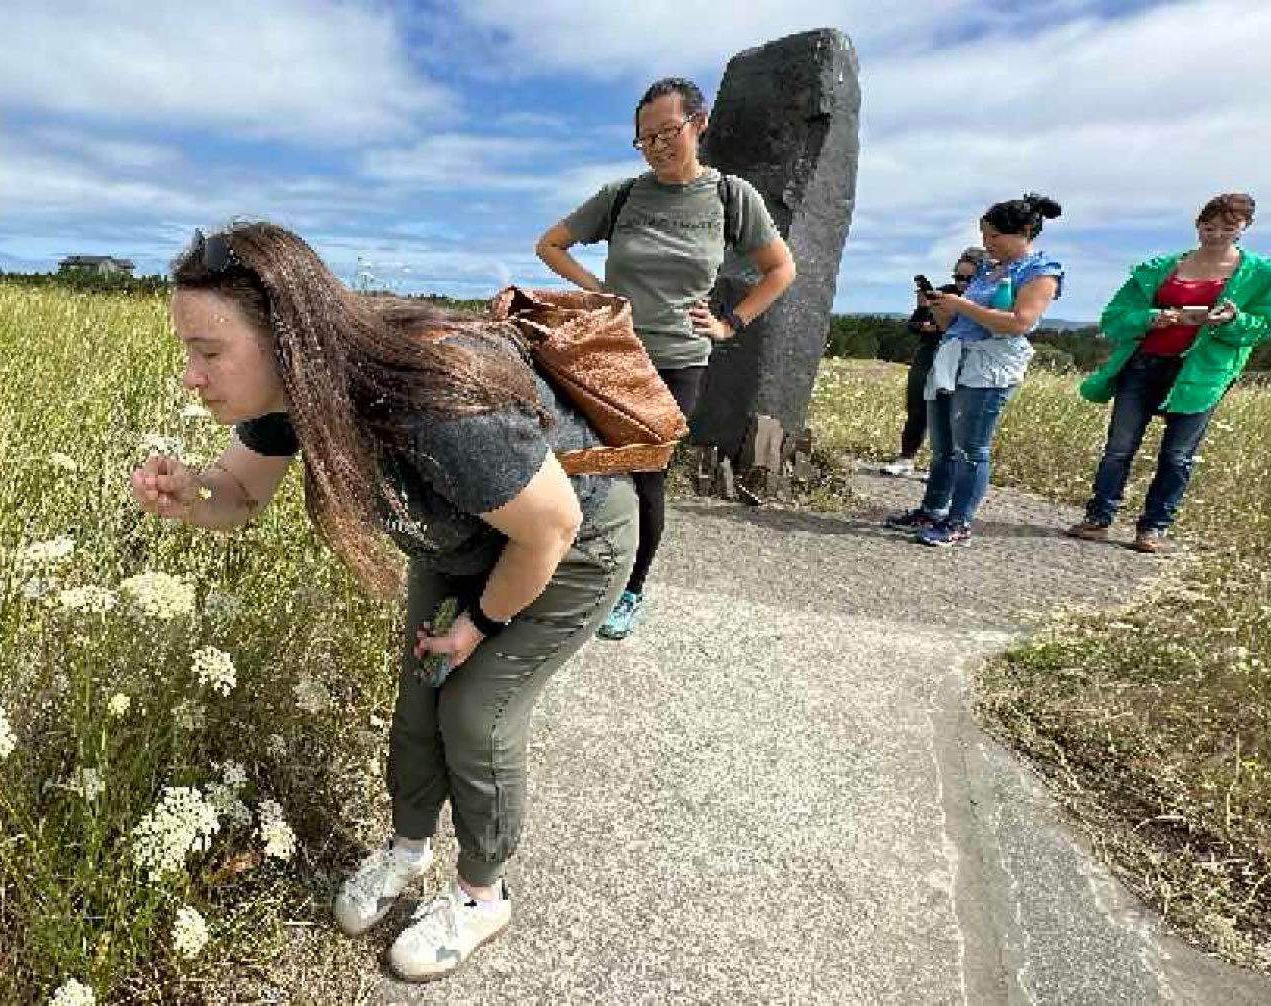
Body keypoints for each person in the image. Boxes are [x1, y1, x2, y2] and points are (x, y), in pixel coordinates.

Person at [129, 222, 641, 982]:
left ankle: (481, 894)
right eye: (188, 352)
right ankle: (406, 850)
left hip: (570, 547)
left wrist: (479, 624)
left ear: (285, 334)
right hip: (460, 541)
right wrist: (190, 495)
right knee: (419, 698)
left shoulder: (430, 391)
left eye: (209, 351)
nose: (190, 376)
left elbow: (551, 526)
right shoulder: (291, 392)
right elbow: (237, 494)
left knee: (477, 713)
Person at [534, 76, 796, 640]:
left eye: (666, 132)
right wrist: (594, 291)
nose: (655, 146)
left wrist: (731, 323)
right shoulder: (622, 195)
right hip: (610, 350)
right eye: (644, 138)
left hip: (678, 360)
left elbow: (781, 269)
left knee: (645, 474)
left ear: (698, 125)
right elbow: (549, 244)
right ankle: (571, 567)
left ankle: (630, 589)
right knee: (583, 459)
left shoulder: (731, 197)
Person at [1067, 193, 1271, 553]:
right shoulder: (1158, 267)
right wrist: (1150, 318)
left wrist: (1232, 320)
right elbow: (1115, 317)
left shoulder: (1261, 274)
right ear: (1197, 224)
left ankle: (1153, 529)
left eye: (1228, 227)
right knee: (1119, 448)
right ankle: (1098, 518)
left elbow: (1261, 326)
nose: (1215, 234)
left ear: (1245, 228)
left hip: (1202, 372)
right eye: (1208, 226)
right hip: (1143, 363)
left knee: (1177, 455)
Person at [883, 194, 1066, 547]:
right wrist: (939, 307)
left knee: (971, 447)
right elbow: (955, 322)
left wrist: (963, 304)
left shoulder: (1041, 271)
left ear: (1025, 231)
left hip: (990, 364)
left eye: (995, 236)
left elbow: (1020, 322)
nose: (987, 244)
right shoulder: (986, 268)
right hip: (953, 355)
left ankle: (959, 522)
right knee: (944, 446)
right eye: (984, 236)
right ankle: (932, 508)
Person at [881, 249, 985, 477]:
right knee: (917, 407)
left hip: (962, 358)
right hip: (930, 354)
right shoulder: (943, 294)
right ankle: (906, 458)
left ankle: (943, 466)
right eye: (958, 277)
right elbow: (912, 324)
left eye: (970, 278)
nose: (962, 283)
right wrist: (927, 322)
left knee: (952, 413)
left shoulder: (983, 299)